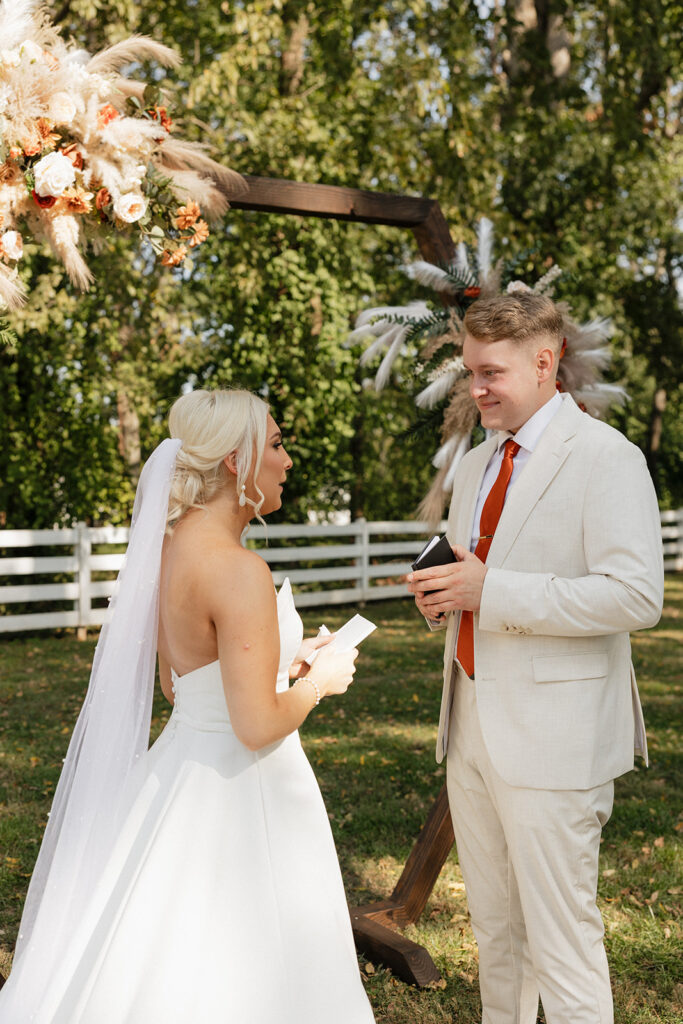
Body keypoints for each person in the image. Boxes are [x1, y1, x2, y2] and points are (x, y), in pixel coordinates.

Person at [0, 388, 375, 1024]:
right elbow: (255, 726)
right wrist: (321, 681)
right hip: (241, 792)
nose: (288, 461)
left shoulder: (170, 549)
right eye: (278, 445)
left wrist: (280, 665)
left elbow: (183, 686)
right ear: (236, 459)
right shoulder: (237, 568)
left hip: (176, 775)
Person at [407, 293, 663, 1024]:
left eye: (490, 373)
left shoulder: (606, 458)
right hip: (471, 726)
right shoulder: (479, 461)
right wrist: (443, 595)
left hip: (557, 738)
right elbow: (477, 576)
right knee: (496, 932)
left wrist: (493, 591)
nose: (475, 388)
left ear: (545, 362)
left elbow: (635, 597)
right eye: (468, 372)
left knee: (561, 940)